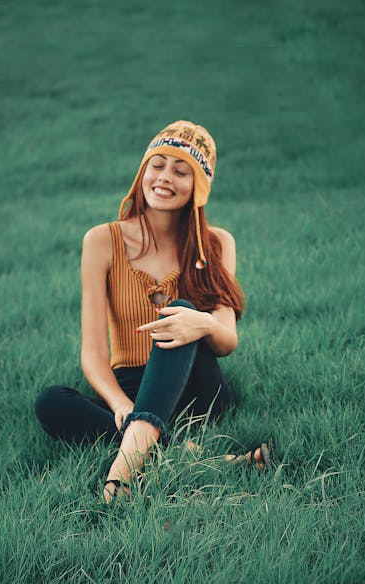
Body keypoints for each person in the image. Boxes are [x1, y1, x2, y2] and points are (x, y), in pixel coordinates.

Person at [34, 120, 271, 503]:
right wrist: (122, 406)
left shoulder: (217, 243)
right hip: (131, 384)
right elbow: (93, 353)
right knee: (50, 403)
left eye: (181, 171)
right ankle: (207, 458)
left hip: (196, 386)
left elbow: (226, 341)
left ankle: (121, 477)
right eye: (156, 165)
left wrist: (201, 321)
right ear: (142, 171)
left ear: (198, 187)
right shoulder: (101, 241)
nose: (164, 178)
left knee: (178, 314)